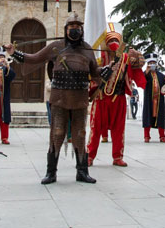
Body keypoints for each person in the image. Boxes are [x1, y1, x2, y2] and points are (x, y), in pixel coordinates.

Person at [12, 13, 102, 184]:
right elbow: (34, 58)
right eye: (71, 28)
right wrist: (14, 53)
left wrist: (104, 71)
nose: (74, 31)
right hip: (59, 98)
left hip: (80, 99)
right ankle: (51, 172)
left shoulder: (88, 49)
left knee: (80, 134)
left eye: (77, 28)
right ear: (66, 30)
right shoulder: (55, 47)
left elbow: (94, 71)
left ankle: (82, 172)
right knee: (57, 133)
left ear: (81, 30)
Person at [86, 29, 145, 166]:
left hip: (118, 98)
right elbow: (91, 73)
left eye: (116, 41)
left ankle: (117, 157)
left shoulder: (125, 57)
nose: (113, 44)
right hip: (101, 98)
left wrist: (135, 54)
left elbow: (139, 64)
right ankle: (89, 156)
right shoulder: (99, 58)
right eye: (110, 41)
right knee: (95, 129)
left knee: (119, 129)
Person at [141, 52, 165, 142]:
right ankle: (146, 136)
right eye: (150, 63)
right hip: (149, 100)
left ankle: (162, 136)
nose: (152, 64)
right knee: (147, 116)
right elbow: (142, 81)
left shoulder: (161, 75)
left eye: (153, 63)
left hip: (159, 100)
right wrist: (146, 71)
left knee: (160, 118)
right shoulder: (145, 74)